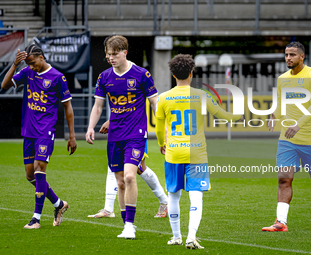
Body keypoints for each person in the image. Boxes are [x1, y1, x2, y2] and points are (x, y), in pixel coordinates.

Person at [155, 54, 241, 249]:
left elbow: (159, 129)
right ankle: (191, 237)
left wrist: (162, 143)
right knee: (196, 195)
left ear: (173, 74)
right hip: (196, 153)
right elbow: (223, 116)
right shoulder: (202, 95)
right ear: (191, 74)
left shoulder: (163, 98)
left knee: (173, 195)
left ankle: (176, 236)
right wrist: (238, 115)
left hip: (173, 153)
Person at [85, 35, 158, 239]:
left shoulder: (141, 74)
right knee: (120, 182)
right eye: (108, 55)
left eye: (114, 54)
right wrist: (91, 127)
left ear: (125, 52)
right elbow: (98, 106)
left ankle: (130, 226)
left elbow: (155, 103)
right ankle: (126, 223)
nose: (110, 58)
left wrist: (163, 129)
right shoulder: (104, 77)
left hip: (136, 134)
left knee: (129, 175)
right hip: (115, 135)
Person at [1, 45, 77, 229]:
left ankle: (36, 218)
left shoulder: (58, 77)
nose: (31, 66)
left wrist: (72, 136)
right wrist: (15, 65)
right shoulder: (27, 72)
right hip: (28, 131)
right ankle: (59, 204)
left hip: (46, 131)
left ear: (41, 57)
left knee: (39, 169)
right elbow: (3, 86)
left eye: (32, 63)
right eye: (27, 63)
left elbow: (67, 108)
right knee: (30, 176)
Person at [262, 42, 311, 232]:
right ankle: (280, 222)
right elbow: (280, 101)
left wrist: (298, 124)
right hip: (287, 138)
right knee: (284, 178)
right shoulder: (282, 78)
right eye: (286, 55)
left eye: (292, 55)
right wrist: (273, 115)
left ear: (302, 57)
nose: (288, 58)